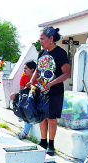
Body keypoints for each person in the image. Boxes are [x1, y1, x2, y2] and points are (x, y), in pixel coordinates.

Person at [27, 26, 71, 156]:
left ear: (51, 39)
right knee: (42, 117)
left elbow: (66, 73)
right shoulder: (42, 53)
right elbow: (38, 70)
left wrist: (51, 83)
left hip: (55, 90)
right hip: (41, 89)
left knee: (51, 118)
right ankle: (43, 142)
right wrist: (32, 80)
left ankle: (51, 145)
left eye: (42, 39)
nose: (40, 41)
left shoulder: (60, 53)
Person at [10, 61, 37, 139]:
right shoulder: (23, 77)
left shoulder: (38, 78)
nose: (24, 71)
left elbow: (41, 90)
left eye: (26, 69)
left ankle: (25, 131)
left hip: (36, 98)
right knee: (13, 95)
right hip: (27, 97)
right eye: (24, 69)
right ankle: (20, 113)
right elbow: (21, 91)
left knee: (28, 107)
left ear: (32, 70)